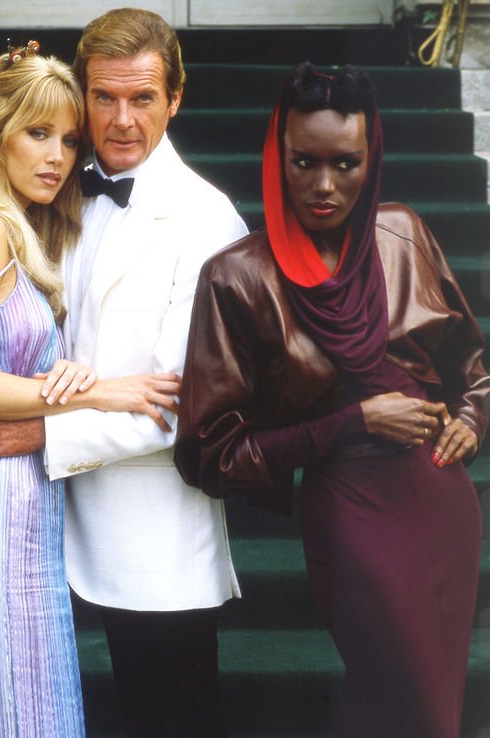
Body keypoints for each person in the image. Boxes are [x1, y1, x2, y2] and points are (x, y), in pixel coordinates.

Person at [0, 9, 249, 738]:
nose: (120, 120)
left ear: (175, 99)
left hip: (148, 544)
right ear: (81, 95)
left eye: (142, 98)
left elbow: (185, 405)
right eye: (104, 97)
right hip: (33, 526)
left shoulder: (207, 222)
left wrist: (39, 435)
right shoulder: (48, 191)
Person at [174, 62, 490, 738]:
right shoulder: (237, 278)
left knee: (416, 708)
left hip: (440, 505)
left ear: (371, 159)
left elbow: (473, 367)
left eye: (346, 164)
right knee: (409, 698)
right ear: (276, 156)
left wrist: (471, 416)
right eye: (304, 162)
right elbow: (209, 455)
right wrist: (351, 423)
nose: (324, 186)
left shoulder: (402, 234)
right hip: (351, 519)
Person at [0, 42, 181, 738]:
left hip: (23, 492)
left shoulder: (17, 230)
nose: (58, 156)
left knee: (17, 694)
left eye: (70, 140)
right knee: (2, 698)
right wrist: (97, 393)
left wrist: (65, 374)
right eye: (38, 133)